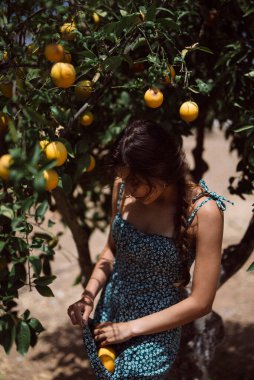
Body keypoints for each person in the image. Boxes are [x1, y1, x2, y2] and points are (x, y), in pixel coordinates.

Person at [67, 119, 234, 379]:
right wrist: (88, 295)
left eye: (135, 180)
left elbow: (201, 302)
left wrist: (130, 329)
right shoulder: (122, 188)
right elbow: (112, 250)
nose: (129, 189)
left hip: (156, 328)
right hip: (109, 312)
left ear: (160, 169)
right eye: (125, 180)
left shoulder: (205, 213)